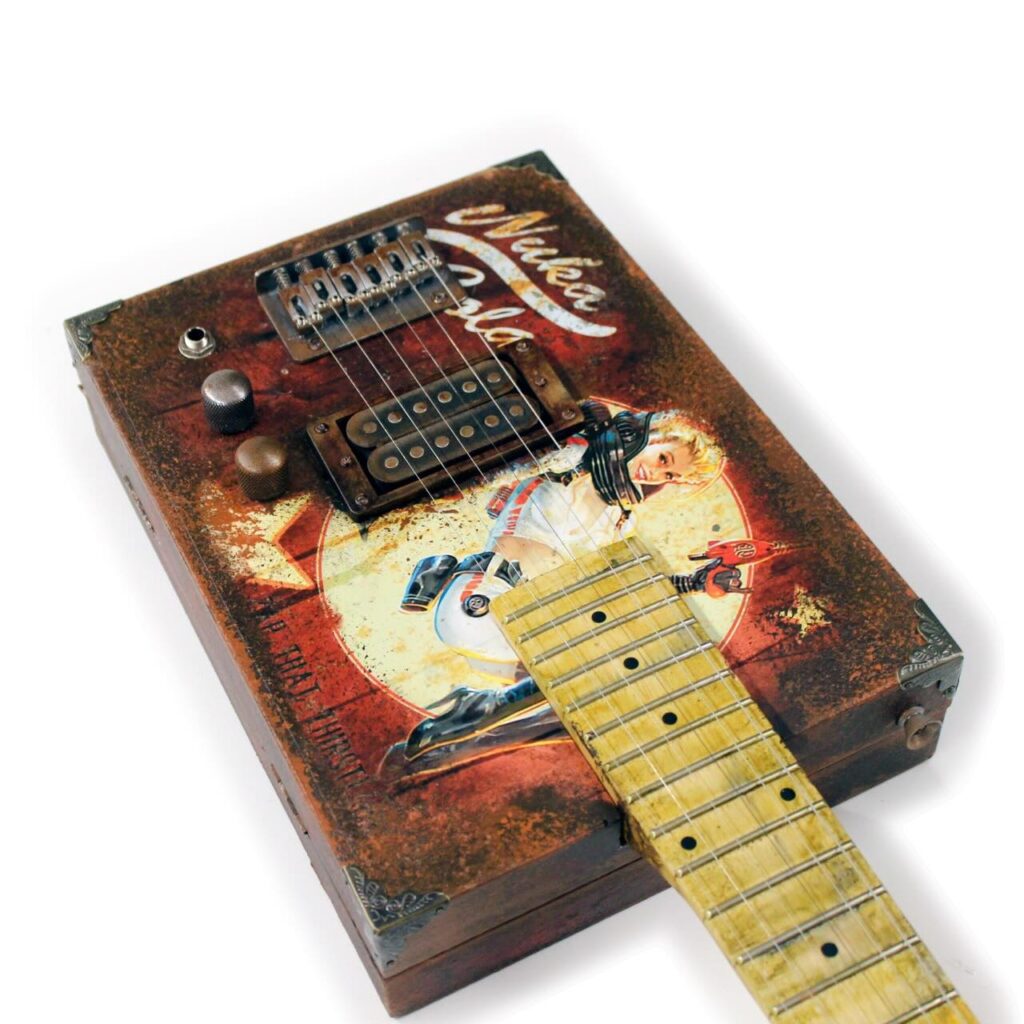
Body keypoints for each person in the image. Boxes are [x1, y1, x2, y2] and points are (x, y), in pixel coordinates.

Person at [393, 401, 727, 763]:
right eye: (664, 459)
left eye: (670, 476)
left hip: (526, 637)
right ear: (645, 436)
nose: (657, 474)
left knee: (597, 699)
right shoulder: (573, 458)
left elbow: (620, 583)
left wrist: (693, 582)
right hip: (487, 601)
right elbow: (509, 464)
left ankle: (478, 716)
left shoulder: (621, 520)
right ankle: (442, 576)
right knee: (592, 673)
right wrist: (583, 426)